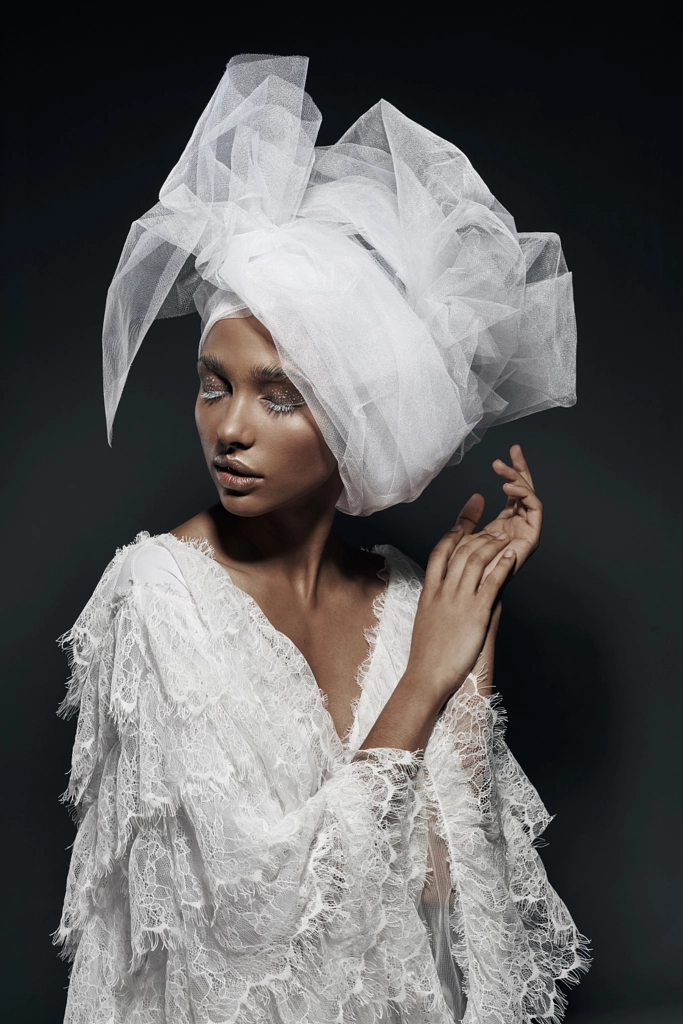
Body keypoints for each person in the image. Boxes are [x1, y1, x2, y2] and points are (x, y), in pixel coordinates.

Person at [56, 55, 589, 1023]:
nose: (229, 427)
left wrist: (466, 628)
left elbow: (439, 887)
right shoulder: (156, 594)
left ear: (354, 423)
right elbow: (247, 942)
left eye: (280, 394)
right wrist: (423, 680)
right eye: (213, 381)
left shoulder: (395, 598)